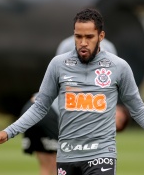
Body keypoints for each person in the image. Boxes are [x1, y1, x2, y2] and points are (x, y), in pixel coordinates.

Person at [0, 8, 144, 175]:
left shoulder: (118, 67)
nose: (82, 42)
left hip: (101, 156)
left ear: (100, 37)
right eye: (78, 36)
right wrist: (7, 133)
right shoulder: (58, 64)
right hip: (67, 156)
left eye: (89, 37)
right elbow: (40, 107)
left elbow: (140, 112)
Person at [21, 36, 129, 175]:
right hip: (48, 113)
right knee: (61, 165)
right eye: (118, 119)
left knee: (48, 167)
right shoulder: (95, 103)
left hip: (34, 108)